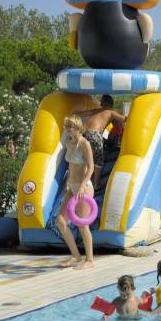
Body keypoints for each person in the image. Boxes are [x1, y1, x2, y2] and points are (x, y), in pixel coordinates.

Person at [57, 115, 95, 270]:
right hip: (71, 187)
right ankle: (76, 255)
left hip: (83, 188)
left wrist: (82, 185)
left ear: (78, 127)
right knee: (60, 221)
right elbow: (71, 167)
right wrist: (67, 184)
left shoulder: (85, 144)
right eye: (66, 126)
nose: (67, 129)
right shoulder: (69, 142)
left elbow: (91, 167)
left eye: (70, 126)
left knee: (82, 224)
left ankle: (90, 260)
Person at [72, 94, 126, 189]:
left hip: (83, 134)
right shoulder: (111, 112)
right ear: (112, 105)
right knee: (98, 161)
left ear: (101, 104)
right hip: (95, 135)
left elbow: (81, 114)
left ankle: (80, 180)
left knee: (85, 157)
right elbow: (124, 119)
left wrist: (73, 113)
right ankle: (96, 184)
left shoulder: (96, 110)